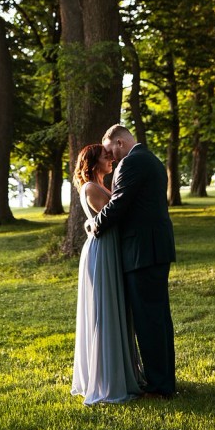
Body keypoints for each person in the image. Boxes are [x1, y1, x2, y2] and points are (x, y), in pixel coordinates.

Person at [89, 124, 177, 399]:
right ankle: (165, 380)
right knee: (159, 318)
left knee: (148, 320)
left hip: (142, 251)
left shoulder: (132, 163)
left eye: (109, 151)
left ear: (119, 142)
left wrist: (95, 225)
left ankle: (159, 387)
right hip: (155, 248)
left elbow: (119, 203)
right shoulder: (151, 160)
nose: (110, 158)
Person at [71, 143, 144, 405]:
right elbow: (115, 216)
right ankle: (107, 380)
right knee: (105, 310)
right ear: (92, 163)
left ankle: (121, 372)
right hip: (102, 252)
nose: (111, 158)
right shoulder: (91, 188)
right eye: (105, 156)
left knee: (115, 308)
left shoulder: (102, 185)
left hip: (110, 248)